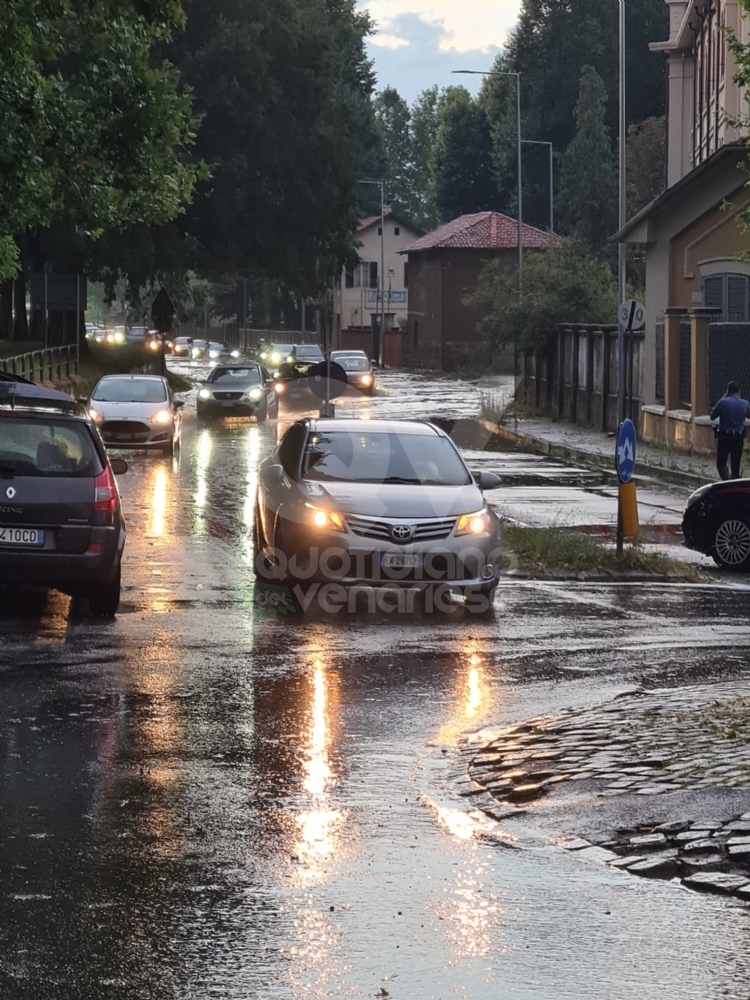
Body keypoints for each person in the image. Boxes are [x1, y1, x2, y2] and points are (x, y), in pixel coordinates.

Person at [711, 381, 750, 480]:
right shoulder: (745, 404)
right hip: (739, 437)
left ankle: (727, 481)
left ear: (727, 391)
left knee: (721, 463)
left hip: (725, 436)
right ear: (739, 391)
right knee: (736, 463)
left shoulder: (723, 402)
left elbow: (712, 416)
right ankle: (735, 481)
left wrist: (723, 398)